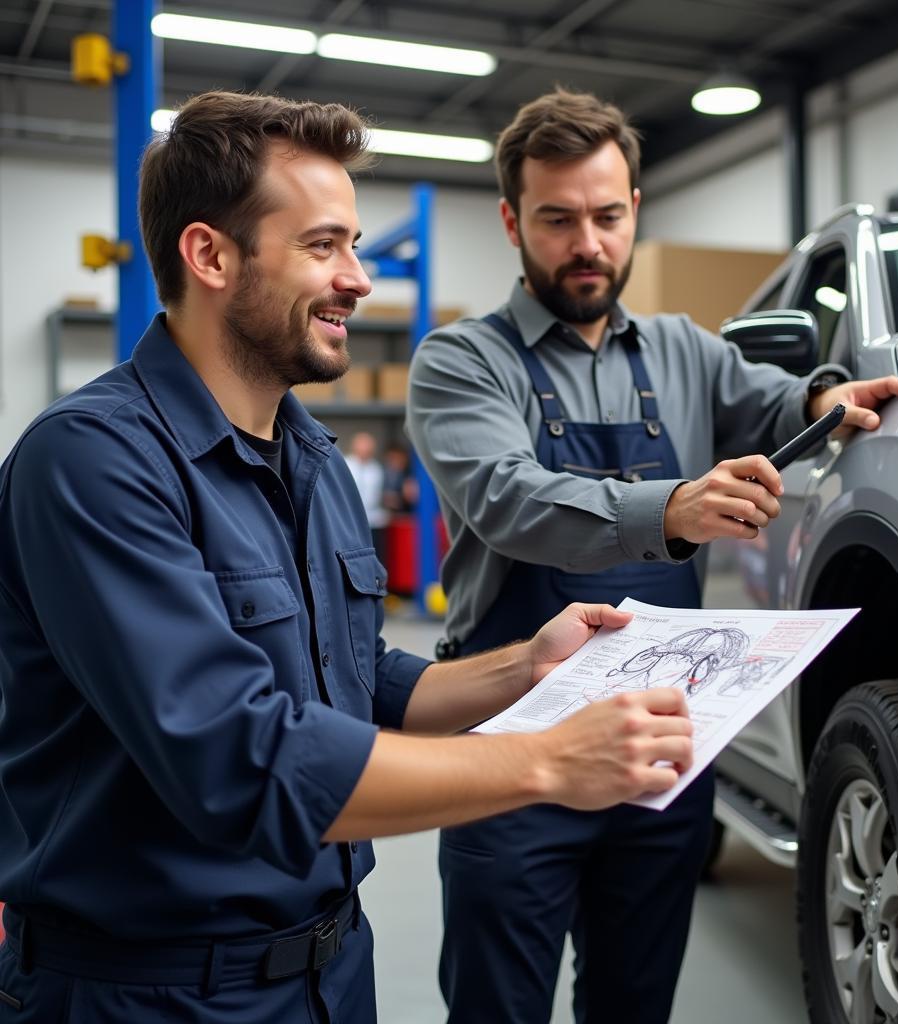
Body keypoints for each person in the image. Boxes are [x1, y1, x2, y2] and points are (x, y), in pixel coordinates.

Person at [0, 92, 699, 1024]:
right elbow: (240, 760)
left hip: (329, 973)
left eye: (356, 245)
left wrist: (522, 671)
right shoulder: (92, 463)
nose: (359, 280)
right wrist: (548, 763)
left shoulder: (312, 459)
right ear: (210, 254)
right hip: (148, 993)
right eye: (323, 246)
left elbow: (359, 674)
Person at [406, 88, 898, 1024]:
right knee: (494, 1008)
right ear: (514, 221)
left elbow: (775, 396)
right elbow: (510, 500)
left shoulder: (686, 350)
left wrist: (825, 397)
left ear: (634, 208)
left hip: (660, 748)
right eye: (557, 220)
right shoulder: (460, 361)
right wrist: (674, 506)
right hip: (512, 748)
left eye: (606, 216)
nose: (586, 244)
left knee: (636, 1004)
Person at [344, 430, 388, 560]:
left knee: (374, 555)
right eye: (363, 445)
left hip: (372, 521)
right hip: (350, 521)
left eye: (369, 446)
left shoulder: (376, 468)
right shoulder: (346, 464)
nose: (366, 449)